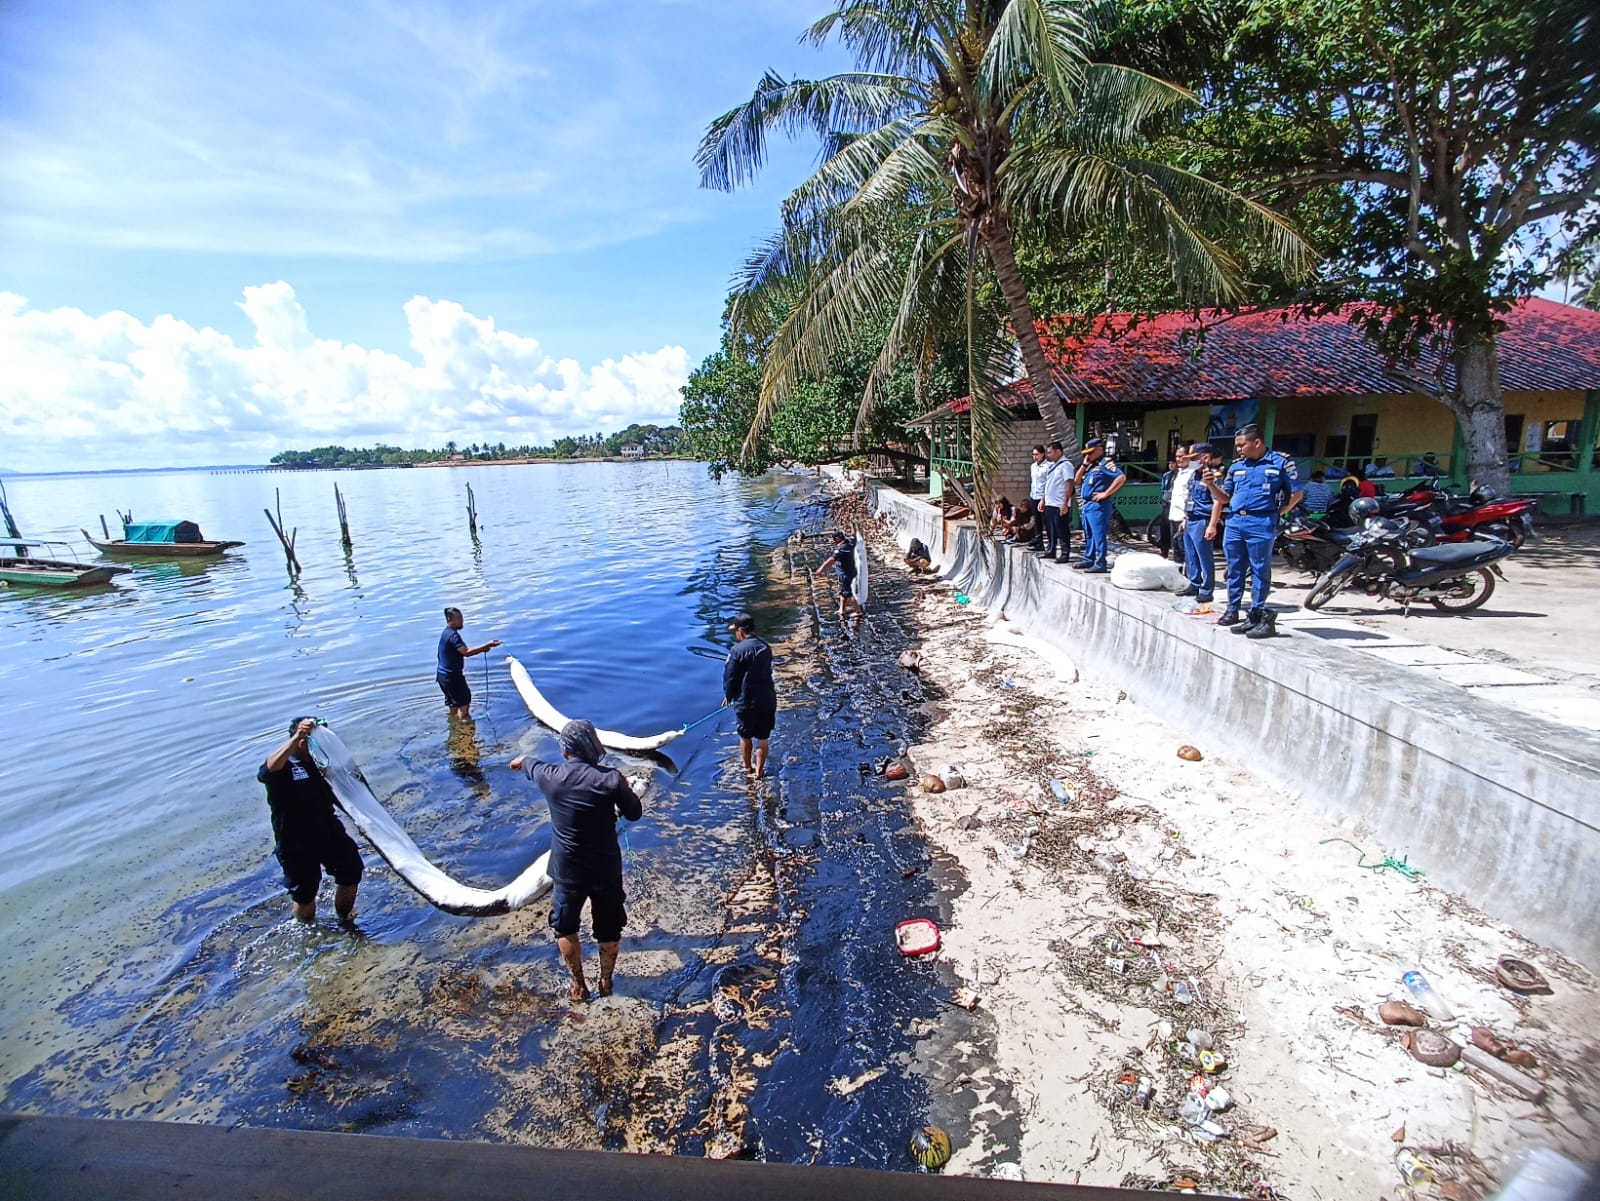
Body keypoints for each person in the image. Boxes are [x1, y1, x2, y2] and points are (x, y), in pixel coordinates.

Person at [510, 720, 643, 1002]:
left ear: (565, 751)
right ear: (593, 746)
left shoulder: (551, 776)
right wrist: (625, 790)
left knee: (566, 926)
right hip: (605, 868)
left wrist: (521, 761)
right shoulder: (610, 779)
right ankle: (606, 981)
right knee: (609, 927)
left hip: (568, 869)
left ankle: (578, 985)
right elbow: (634, 814)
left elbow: (529, 764)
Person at [258, 716, 364, 924]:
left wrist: (361, 820)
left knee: (352, 872)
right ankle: (309, 930)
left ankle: (345, 920)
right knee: (305, 892)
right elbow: (267, 770)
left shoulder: (323, 764)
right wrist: (298, 735)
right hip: (295, 841)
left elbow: (340, 794)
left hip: (329, 830)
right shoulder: (284, 764)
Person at [1204, 424, 1304, 638]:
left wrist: (1281, 511)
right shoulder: (1237, 466)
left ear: (1256, 442)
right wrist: (1211, 485)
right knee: (1234, 568)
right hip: (1235, 522)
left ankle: (1256, 613)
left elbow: (1296, 493)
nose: (1238, 449)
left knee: (1259, 569)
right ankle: (1233, 609)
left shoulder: (1280, 463)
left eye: (1242, 445)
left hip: (1261, 522)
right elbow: (1225, 498)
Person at [722, 613, 777, 778]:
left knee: (745, 736)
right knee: (763, 737)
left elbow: (730, 676)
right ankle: (760, 772)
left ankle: (747, 768)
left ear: (740, 631)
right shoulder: (765, 647)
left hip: (746, 701)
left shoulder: (737, 650)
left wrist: (728, 695)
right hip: (767, 699)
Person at [1175, 443, 1220, 612]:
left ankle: (1206, 589)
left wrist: (1212, 525)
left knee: (1204, 557)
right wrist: (1186, 518)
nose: (1191, 462)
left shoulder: (1213, 475)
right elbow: (1190, 498)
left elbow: (1217, 501)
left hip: (1203, 520)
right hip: (1191, 518)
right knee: (1191, 555)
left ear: (1205, 458)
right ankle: (1194, 583)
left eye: (1193, 459)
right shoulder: (1194, 475)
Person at [436, 607, 502, 720]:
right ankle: (465, 732)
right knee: (464, 704)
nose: (462, 621)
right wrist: (487, 646)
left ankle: (455, 729)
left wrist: (483, 648)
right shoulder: (453, 636)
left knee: (453, 705)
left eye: (461, 617)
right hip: (452, 676)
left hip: (442, 676)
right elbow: (466, 652)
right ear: (449, 619)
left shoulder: (445, 633)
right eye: (458, 618)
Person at [1073, 437, 1126, 573]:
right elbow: (1077, 480)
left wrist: (1106, 493)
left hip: (1099, 505)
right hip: (1088, 505)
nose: (1087, 455)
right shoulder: (1091, 465)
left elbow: (1121, 478)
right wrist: (1085, 464)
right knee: (1089, 534)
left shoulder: (1105, 463)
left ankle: (1100, 562)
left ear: (1100, 449)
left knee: (1099, 535)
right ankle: (1088, 559)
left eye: (1090, 452)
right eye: (1086, 453)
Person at [815, 530, 865, 621]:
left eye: (834, 539)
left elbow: (832, 559)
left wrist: (821, 569)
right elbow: (854, 535)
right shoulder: (850, 542)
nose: (833, 541)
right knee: (843, 591)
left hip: (845, 574)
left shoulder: (841, 549)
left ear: (837, 538)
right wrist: (853, 525)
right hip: (851, 571)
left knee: (848, 593)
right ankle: (842, 609)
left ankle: (858, 611)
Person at [1039, 441, 1071, 563]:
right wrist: (1043, 500)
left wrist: (1065, 503)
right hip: (1050, 503)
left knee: (1061, 529)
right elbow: (1048, 484)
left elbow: (1069, 483)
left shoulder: (1066, 465)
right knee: (1050, 529)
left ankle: (1064, 553)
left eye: (1050, 452)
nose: (1048, 455)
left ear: (1058, 451)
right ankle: (1051, 550)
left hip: (1059, 503)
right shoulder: (1052, 465)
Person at [1166, 442, 1195, 568]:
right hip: (1174, 515)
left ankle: (1190, 579)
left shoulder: (1193, 472)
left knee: (1186, 551)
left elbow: (1191, 497)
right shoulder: (1179, 472)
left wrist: (1186, 518)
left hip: (1184, 518)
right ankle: (1178, 579)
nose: (1178, 459)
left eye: (1182, 456)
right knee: (1176, 549)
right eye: (1177, 456)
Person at [1027, 445, 1049, 549]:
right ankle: (1038, 541)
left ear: (1042, 454)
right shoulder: (1033, 466)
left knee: (1045, 520)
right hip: (1034, 495)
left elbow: (1048, 483)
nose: (1035, 457)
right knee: (1037, 520)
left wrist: (1044, 498)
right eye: (1033, 454)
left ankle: (1050, 542)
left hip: (1043, 496)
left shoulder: (1048, 466)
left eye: (1037, 454)